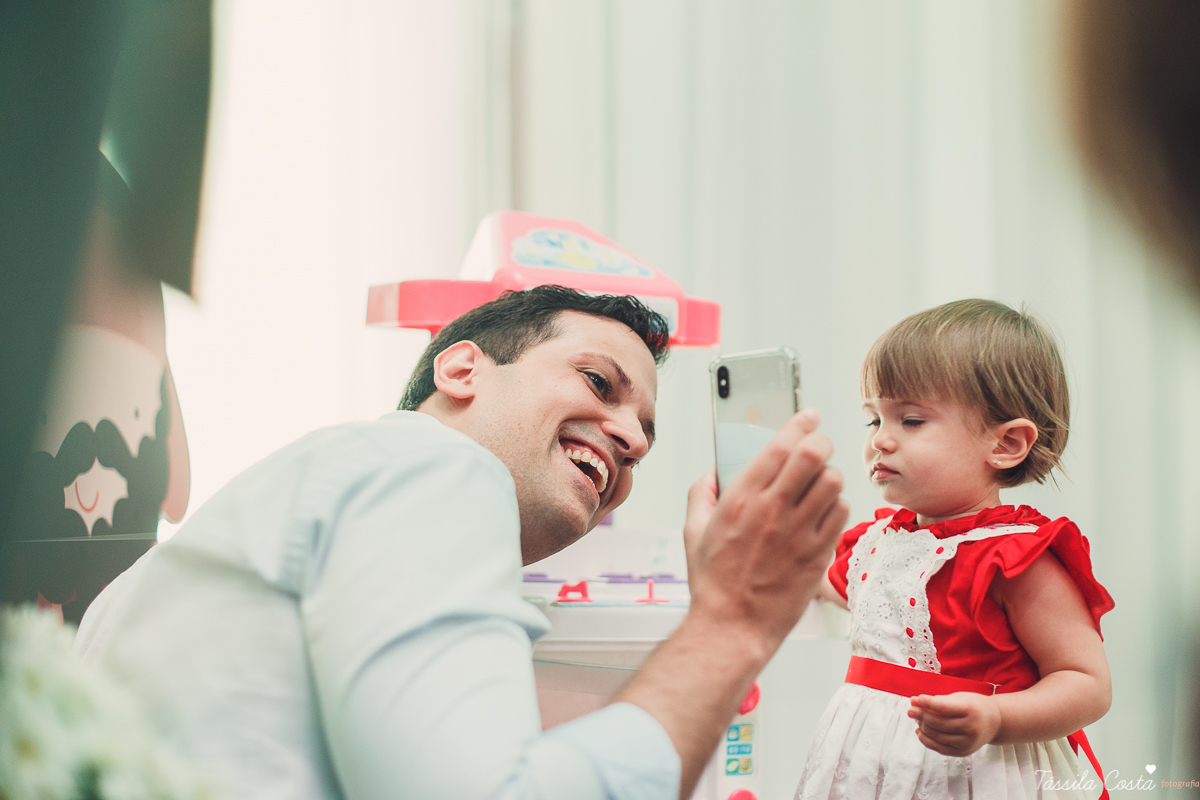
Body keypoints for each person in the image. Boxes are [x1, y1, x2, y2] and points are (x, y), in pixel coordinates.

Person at [76, 285, 849, 800]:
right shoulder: (432, 466)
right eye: (597, 383)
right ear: (461, 369)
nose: (630, 440)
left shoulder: (311, 490)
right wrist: (732, 622)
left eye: (646, 432)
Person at [795, 299, 1115, 800]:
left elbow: (1086, 682)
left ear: (1006, 444)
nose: (881, 440)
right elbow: (824, 581)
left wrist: (997, 717)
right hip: (867, 767)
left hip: (972, 773)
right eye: (874, 420)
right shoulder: (873, 544)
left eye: (912, 421)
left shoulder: (1013, 559)